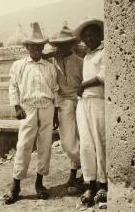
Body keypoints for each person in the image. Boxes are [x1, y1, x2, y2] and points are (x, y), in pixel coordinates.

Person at [4, 22, 59, 204]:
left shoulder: (49, 67)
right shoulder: (19, 65)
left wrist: (56, 112)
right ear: (27, 47)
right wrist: (17, 107)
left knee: (45, 145)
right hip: (27, 109)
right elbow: (13, 87)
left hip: (47, 108)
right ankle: (16, 184)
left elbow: (55, 89)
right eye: (33, 45)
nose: (36, 49)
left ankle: (39, 183)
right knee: (24, 145)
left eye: (39, 46)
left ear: (43, 47)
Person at [74, 18, 107, 206]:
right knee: (86, 143)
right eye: (85, 36)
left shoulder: (105, 53)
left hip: (98, 102)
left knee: (100, 141)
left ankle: (103, 183)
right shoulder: (86, 57)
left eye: (91, 34)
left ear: (99, 35)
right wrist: (81, 90)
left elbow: (103, 76)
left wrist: (83, 85)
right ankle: (90, 182)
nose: (88, 38)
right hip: (83, 103)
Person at [49, 24, 83, 194]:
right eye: (58, 45)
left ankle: (75, 175)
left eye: (65, 44)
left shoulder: (80, 62)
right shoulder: (53, 62)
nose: (61, 48)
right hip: (62, 104)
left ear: (71, 44)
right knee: (68, 143)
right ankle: (91, 166)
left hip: (80, 102)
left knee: (83, 138)